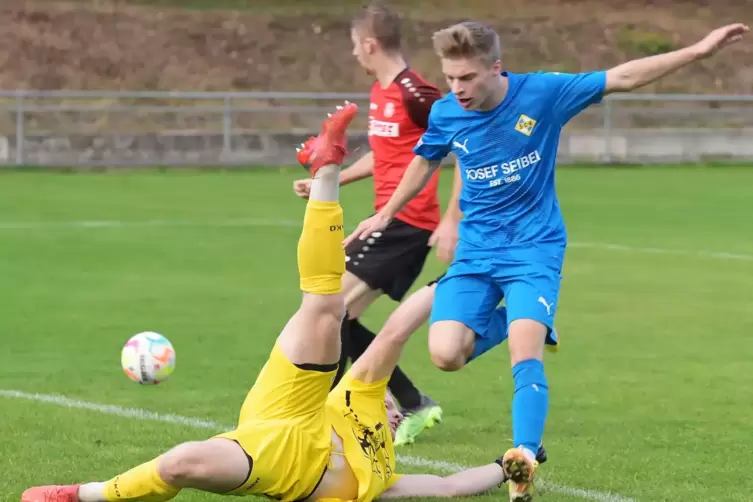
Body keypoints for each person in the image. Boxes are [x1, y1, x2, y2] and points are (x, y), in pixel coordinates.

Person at [21, 103, 525, 502]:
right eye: (395, 408)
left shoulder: (384, 476)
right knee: (325, 307)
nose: (394, 415)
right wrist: (457, 281)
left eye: (395, 414)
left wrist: (513, 465)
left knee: (180, 464)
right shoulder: (363, 395)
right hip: (294, 404)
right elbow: (395, 331)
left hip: (280, 462)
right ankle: (326, 168)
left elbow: (450, 485)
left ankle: (80, 495)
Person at [345, 21, 749, 501]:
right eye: (451, 78)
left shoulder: (543, 94)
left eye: (468, 78)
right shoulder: (446, 113)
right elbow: (425, 161)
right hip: (477, 252)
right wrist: (387, 213)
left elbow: (621, 77)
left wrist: (699, 50)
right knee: (446, 354)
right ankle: (531, 320)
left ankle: (524, 461)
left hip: (533, 249)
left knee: (525, 352)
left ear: (496, 68)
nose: (458, 89)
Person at [292, 1, 459, 447]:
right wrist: (332, 180)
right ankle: (412, 402)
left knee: (328, 310)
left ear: (369, 44)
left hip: (409, 223)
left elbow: (464, 146)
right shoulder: (380, 93)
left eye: (354, 46)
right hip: (384, 218)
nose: (353, 54)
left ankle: (320, 418)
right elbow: (383, 154)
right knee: (335, 314)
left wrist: (450, 219)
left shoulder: (417, 94)